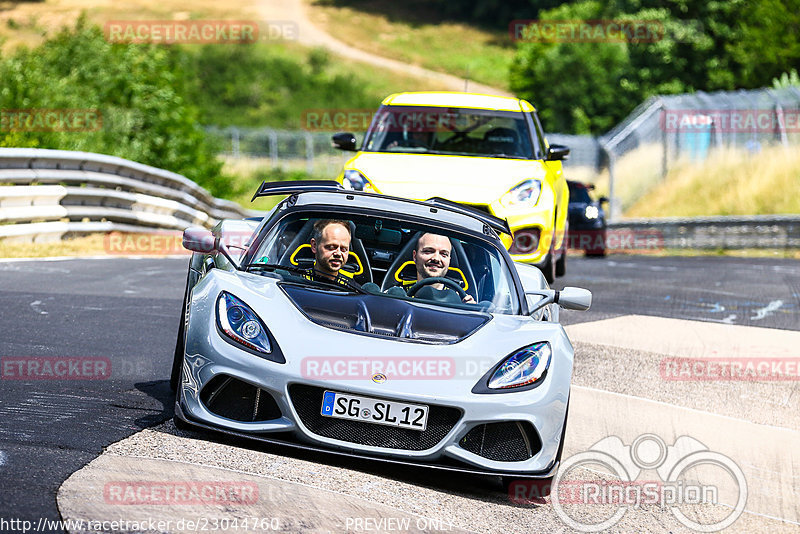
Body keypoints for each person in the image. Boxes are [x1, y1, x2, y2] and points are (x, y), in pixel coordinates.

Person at [411, 233, 474, 303]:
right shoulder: (400, 294)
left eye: (444, 254)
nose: (436, 258)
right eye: (428, 251)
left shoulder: (459, 300)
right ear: (414, 256)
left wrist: (469, 311)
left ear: (449, 260)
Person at [304, 219, 359, 288]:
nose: (338, 253)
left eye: (343, 249)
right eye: (331, 247)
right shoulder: (293, 283)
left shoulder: (354, 291)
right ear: (314, 246)